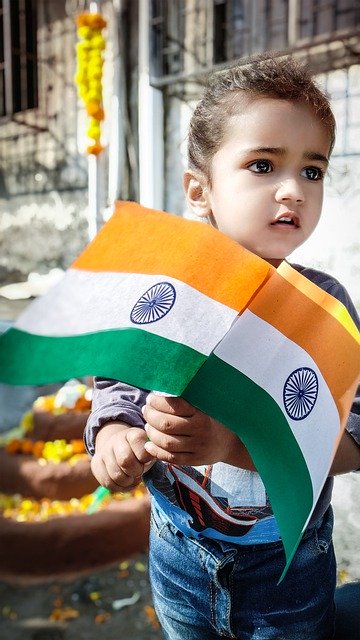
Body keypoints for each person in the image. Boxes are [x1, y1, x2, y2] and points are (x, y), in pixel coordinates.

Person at [85, 54, 360, 640]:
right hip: (176, 554)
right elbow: (115, 379)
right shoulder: (166, 293)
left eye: (312, 171)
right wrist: (115, 433)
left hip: (286, 569)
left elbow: (354, 432)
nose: (292, 191)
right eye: (263, 164)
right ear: (199, 190)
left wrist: (234, 444)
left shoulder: (323, 309)